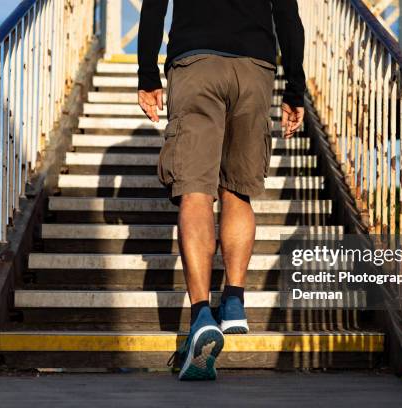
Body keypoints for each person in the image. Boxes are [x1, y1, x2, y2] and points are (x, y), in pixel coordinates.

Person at [137, 0, 306, 381]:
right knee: (238, 191)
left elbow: (153, 7)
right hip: (254, 68)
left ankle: (200, 315)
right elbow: (288, 17)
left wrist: (147, 72)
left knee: (196, 190)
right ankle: (233, 299)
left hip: (196, 63)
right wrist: (296, 88)